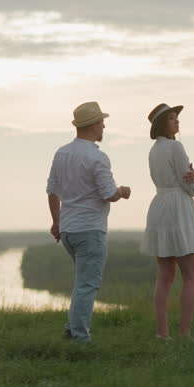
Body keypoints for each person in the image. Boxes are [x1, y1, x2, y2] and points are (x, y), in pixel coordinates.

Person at [46, 101, 131, 343]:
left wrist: (57, 222)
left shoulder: (61, 153)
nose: (104, 126)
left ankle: (71, 330)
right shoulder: (97, 157)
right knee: (87, 285)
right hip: (90, 230)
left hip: (68, 231)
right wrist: (123, 191)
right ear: (93, 125)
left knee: (81, 282)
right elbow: (109, 193)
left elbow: (52, 191)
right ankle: (80, 339)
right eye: (102, 122)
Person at [140, 102, 194, 340]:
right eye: (171, 118)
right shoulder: (176, 146)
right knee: (192, 275)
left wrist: (190, 177)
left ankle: (162, 333)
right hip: (178, 208)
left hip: (159, 206)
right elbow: (191, 187)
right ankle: (185, 333)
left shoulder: (153, 150)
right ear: (161, 124)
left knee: (165, 275)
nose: (177, 121)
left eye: (177, 117)